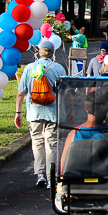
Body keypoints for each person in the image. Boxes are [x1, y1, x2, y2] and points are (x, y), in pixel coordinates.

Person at [14, 40, 67, 187]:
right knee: (52, 144)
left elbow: (20, 93)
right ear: (53, 53)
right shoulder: (58, 68)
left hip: (34, 112)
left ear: (38, 51)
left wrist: (18, 112)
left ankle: (41, 174)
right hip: (53, 113)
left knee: (37, 142)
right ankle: (52, 178)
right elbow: (65, 92)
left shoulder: (29, 68)